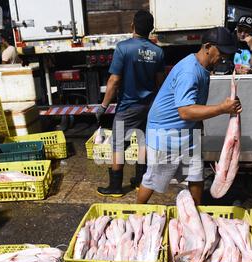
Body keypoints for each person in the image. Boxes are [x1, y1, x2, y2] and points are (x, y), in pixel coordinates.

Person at [136, 27, 242, 205]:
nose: (225, 57)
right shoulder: (189, 72)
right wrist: (223, 108)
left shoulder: (203, 67)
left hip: (186, 132)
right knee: (154, 179)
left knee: (196, 174)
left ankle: (196, 213)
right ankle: (136, 214)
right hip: (166, 133)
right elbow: (185, 111)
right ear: (208, 46)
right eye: (222, 52)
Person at [95, 10, 165, 197]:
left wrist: (103, 106)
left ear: (132, 25)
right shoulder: (158, 52)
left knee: (118, 144)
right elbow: (160, 82)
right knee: (142, 141)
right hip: (148, 106)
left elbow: (114, 81)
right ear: (151, 29)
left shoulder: (123, 48)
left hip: (127, 106)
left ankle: (116, 187)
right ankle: (139, 181)